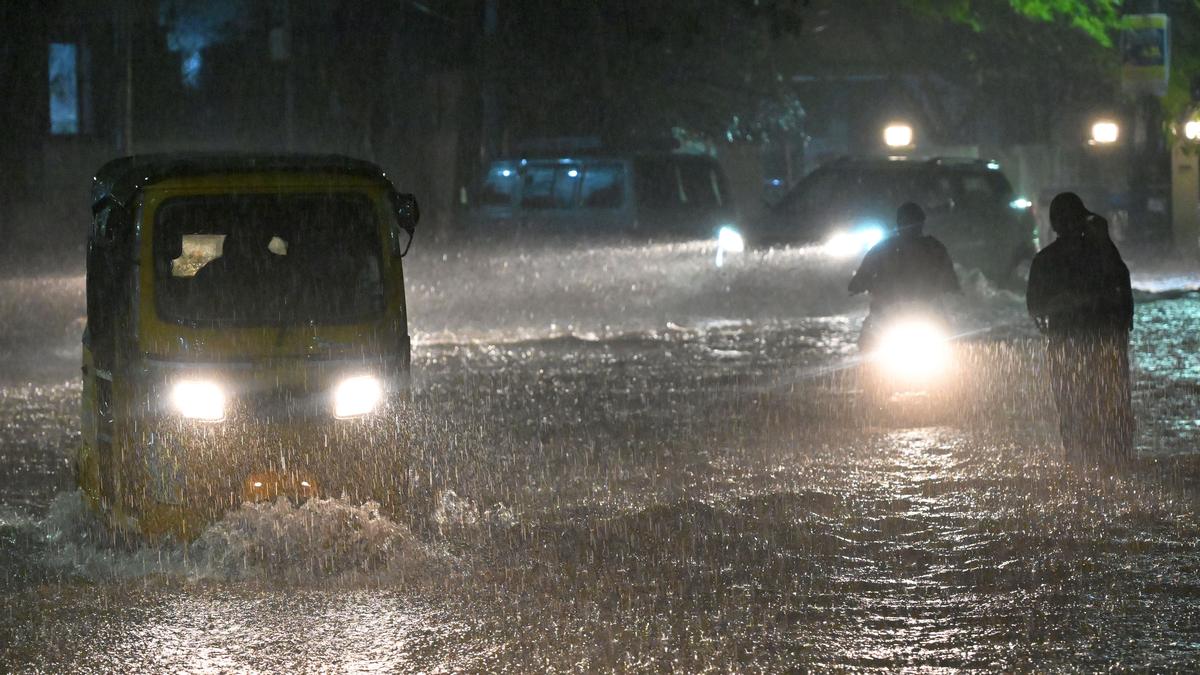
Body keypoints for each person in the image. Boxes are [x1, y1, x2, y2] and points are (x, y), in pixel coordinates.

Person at [1026, 192, 1134, 466]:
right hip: (1104, 338)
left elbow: (1035, 309)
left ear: (1053, 225)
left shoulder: (1046, 260)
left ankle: (1078, 462)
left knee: (1072, 403)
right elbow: (1123, 286)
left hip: (1068, 342)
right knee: (1110, 401)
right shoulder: (1102, 253)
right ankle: (1118, 461)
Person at [849, 202, 960, 347]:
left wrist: (951, 286)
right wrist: (859, 284)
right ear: (899, 224)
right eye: (908, 222)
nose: (911, 226)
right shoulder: (883, 249)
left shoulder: (934, 248)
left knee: (950, 340)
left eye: (914, 222)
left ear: (921, 223)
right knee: (867, 343)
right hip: (887, 313)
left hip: (927, 312)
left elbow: (950, 279)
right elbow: (861, 276)